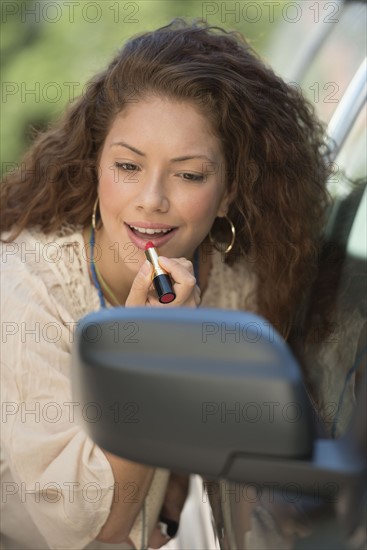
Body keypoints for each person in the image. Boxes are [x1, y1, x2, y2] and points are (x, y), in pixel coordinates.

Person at [0, 18, 331, 550]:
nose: (151, 199)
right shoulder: (26, 294)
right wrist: (144, 352)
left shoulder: (232, 288)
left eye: (190, 174)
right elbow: (95, 529)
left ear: (227, 193)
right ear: (96, 166)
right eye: (128, 165)